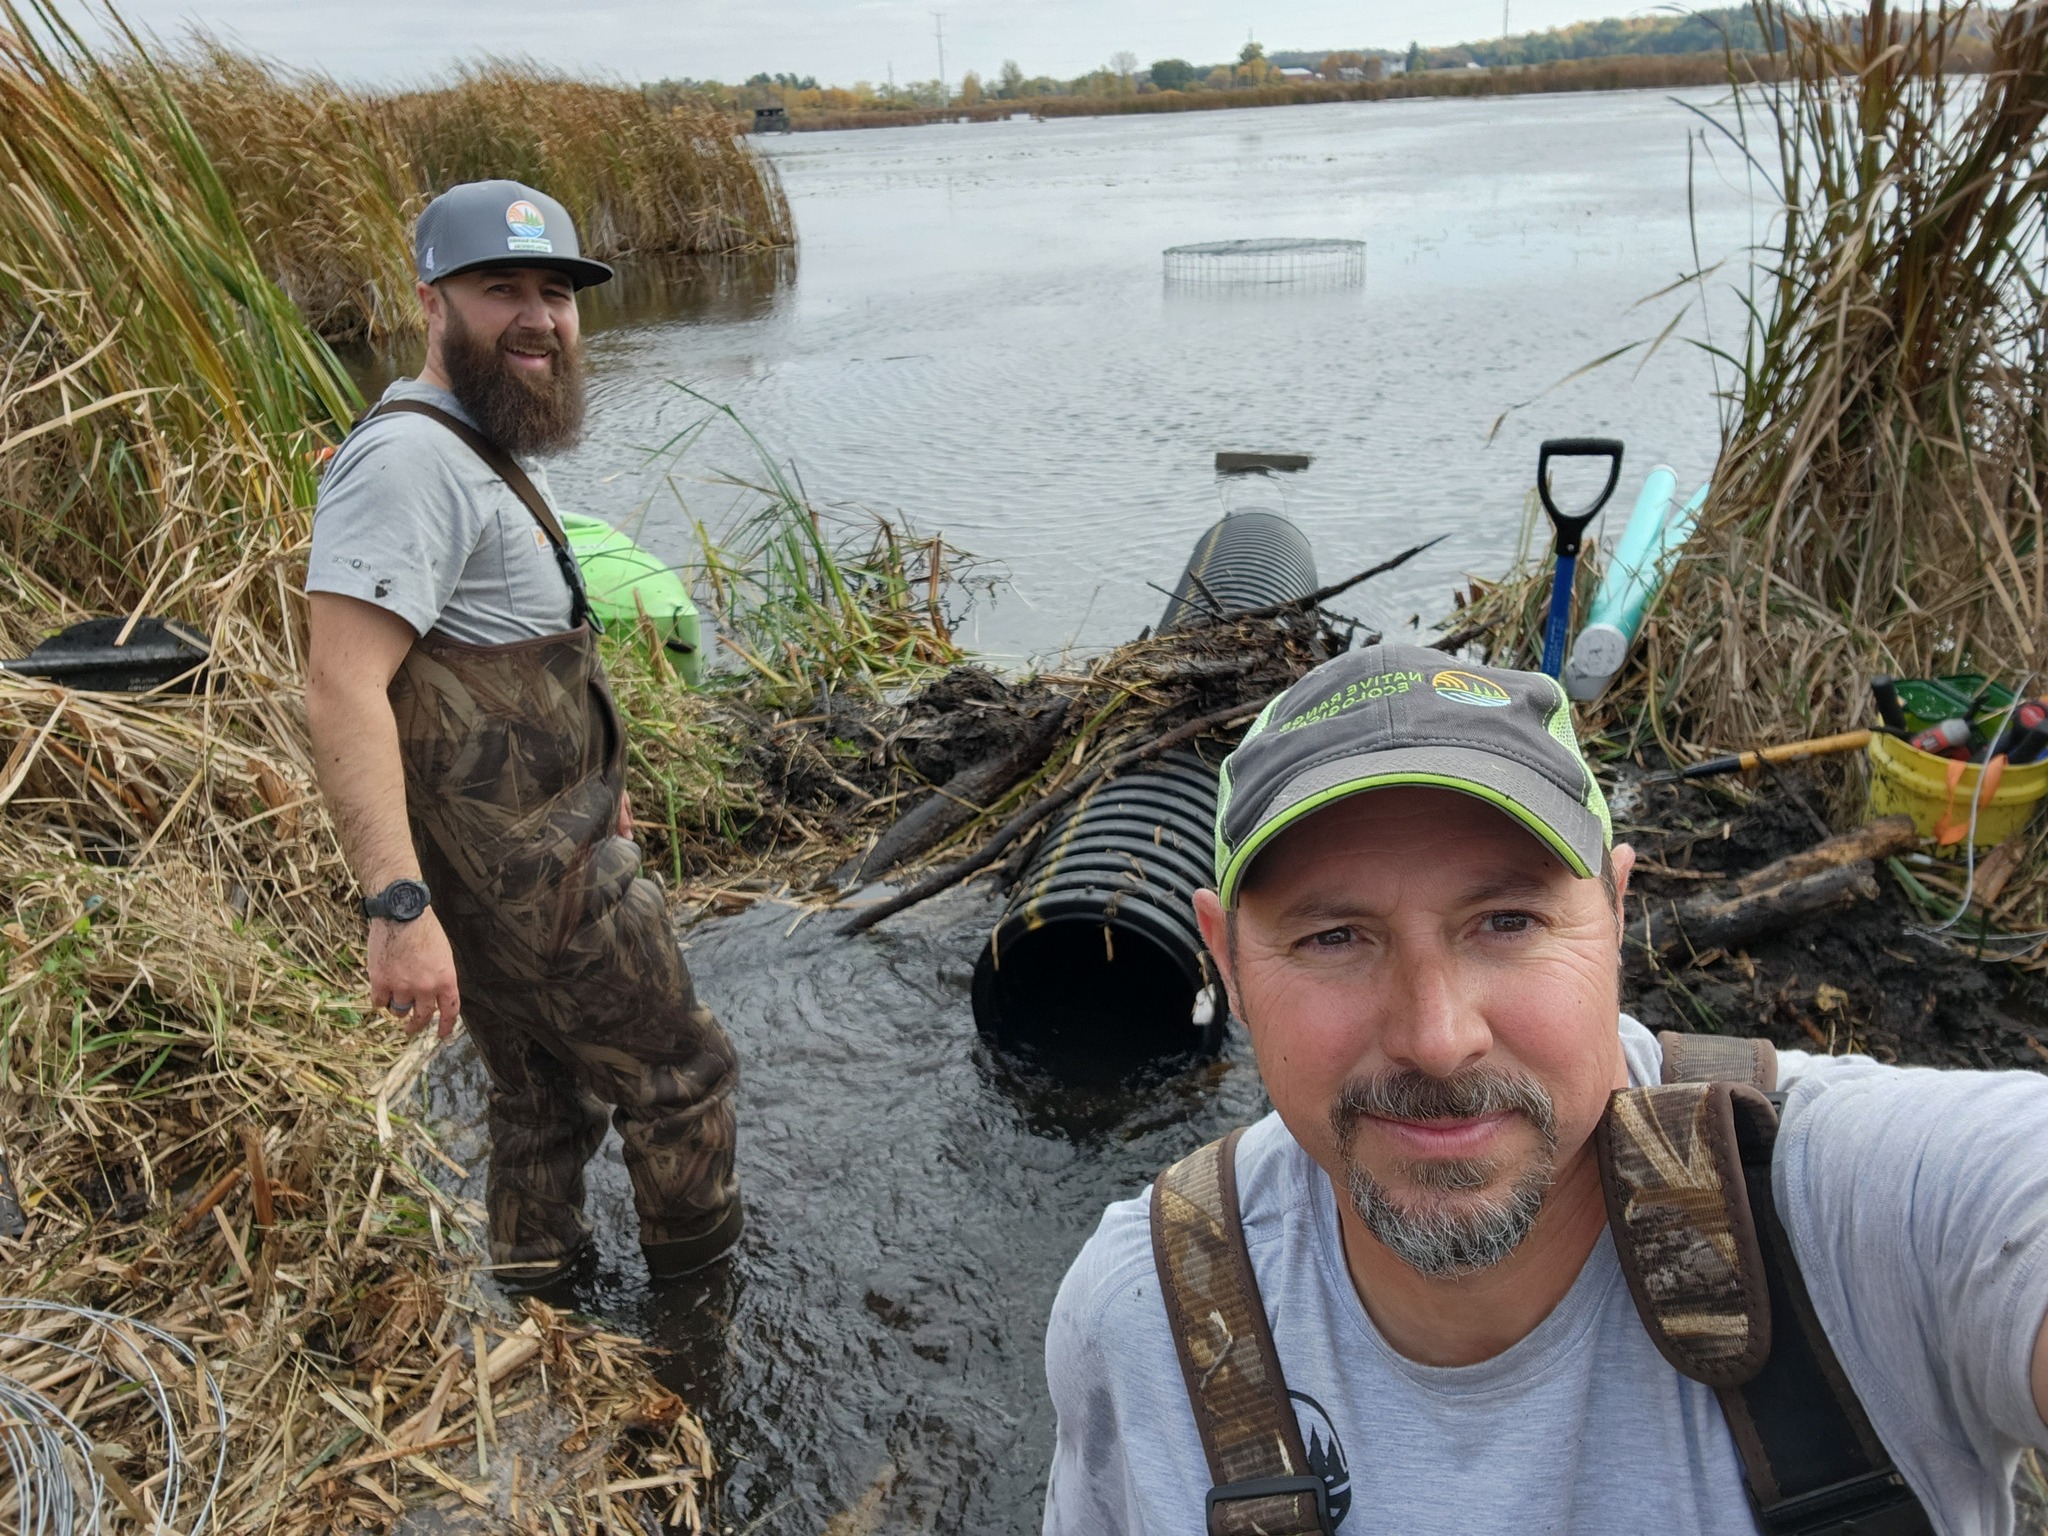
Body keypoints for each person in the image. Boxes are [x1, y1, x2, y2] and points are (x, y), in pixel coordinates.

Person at [1042, 643, 2048, 1533]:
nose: (1436, 1039)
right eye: (1333, 937)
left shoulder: (1860, 1222)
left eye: (1506, 922)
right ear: (1225, 964)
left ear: (1613, 912)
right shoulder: (1144, 1318)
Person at [303, 180, 741, 1287]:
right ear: (430, 301)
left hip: (534, 867)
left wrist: (606, 785)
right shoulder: (408, 461)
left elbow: (498, 670)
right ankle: (701, 1314)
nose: (539, 317)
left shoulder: (470, 442)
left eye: (557, 290)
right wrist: (397, 911)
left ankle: (542, 1294)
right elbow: (342, 688)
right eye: (502, 289)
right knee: (680, 1076)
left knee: (541, 1091)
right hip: (536, 890)